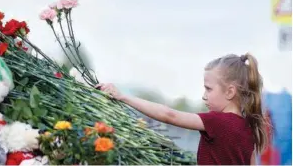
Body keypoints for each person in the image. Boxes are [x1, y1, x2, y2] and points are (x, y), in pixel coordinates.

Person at [96, 53, 267, 165]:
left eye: (208, 89)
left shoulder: (217, 121)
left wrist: (123, 97)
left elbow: (169, 115)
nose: (204, 96)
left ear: (230, 92)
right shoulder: (248, 129)